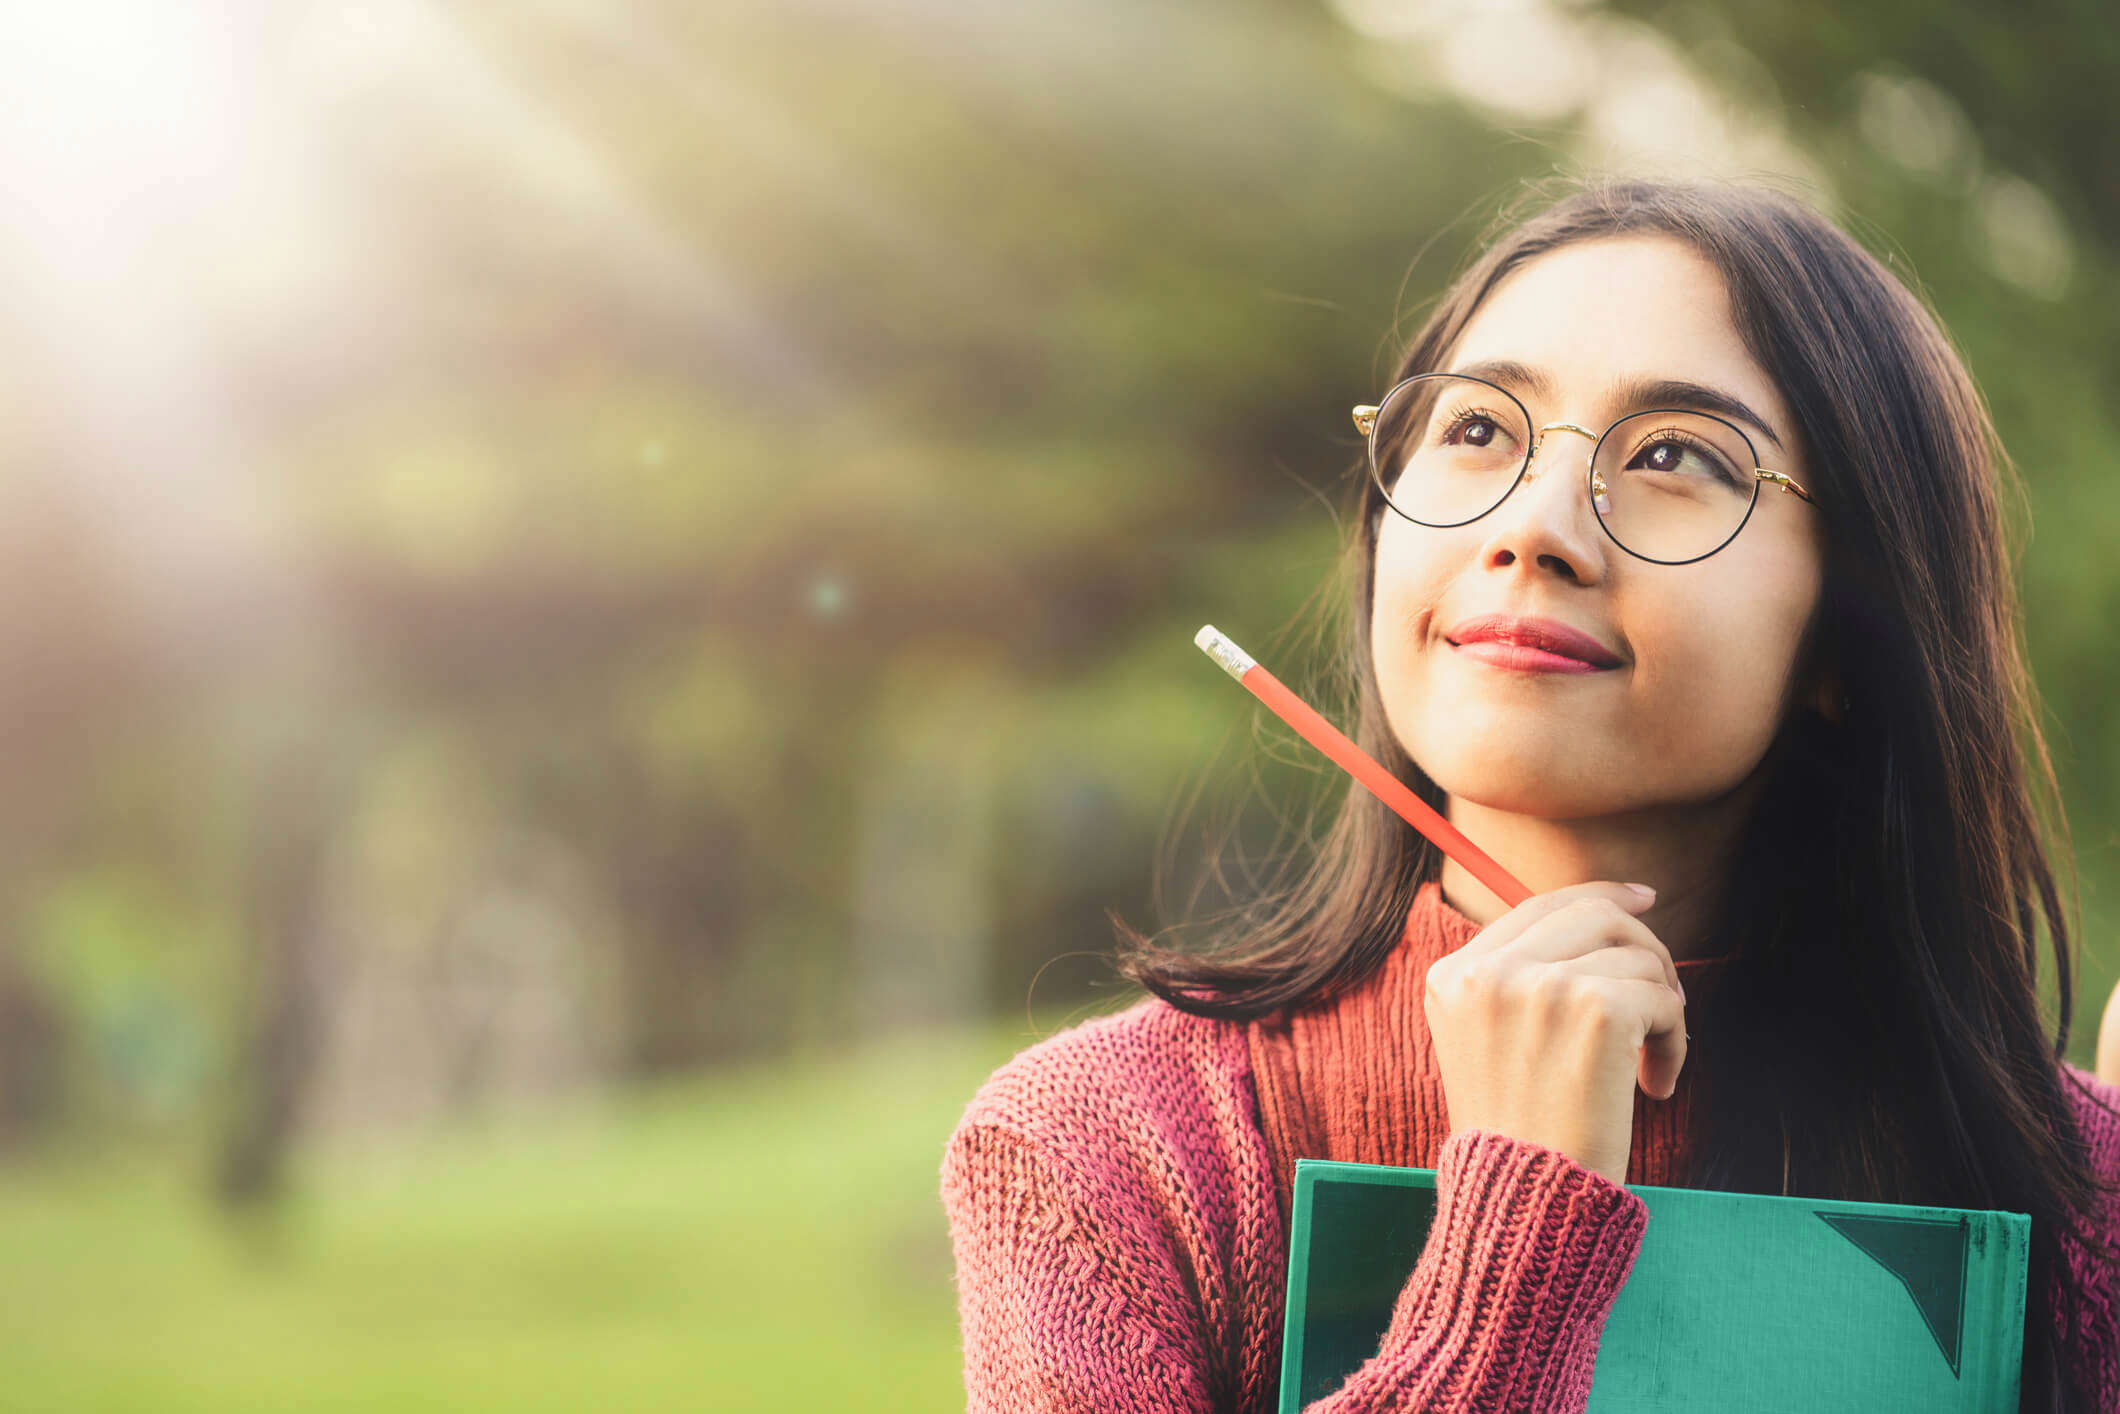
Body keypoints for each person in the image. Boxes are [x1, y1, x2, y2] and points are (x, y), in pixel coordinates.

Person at [939, 177, 2120, 1412]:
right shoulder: (1112, 1148)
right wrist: (1521, 1229)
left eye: (1673, 455)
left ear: (1845, 626)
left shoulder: (2070, 1188)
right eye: (1476, 431)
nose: (1531, 524)